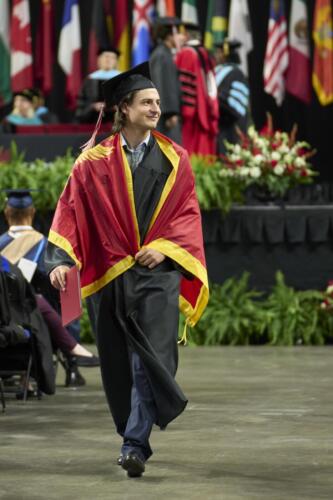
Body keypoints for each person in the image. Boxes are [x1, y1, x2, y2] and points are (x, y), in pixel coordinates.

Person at [46, 62, 208, 478]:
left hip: (157, 273)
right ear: (125, 109)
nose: (156, 108)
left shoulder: (176, 158)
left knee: (151, 358)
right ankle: (131, 433)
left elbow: (186, 214)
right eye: (147, 102)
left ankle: (134, 443)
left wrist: (163, 247)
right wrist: (62, 261)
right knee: (119, 363)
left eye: (157, 102)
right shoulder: (92, 162)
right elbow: (71, 211)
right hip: (111, 272)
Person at [0, 189, 99, 387]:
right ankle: (72, 362)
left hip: (4, 320)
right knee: (66, 290)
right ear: (33, 212)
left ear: (6, 213)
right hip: (39, 323)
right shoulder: (49, 249)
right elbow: (67, 295)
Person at [175, 23, 219, 155]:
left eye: (181, 34)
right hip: (205, 107)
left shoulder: (187, 53)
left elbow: (186, 85)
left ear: (187, 35)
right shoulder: (205, 52)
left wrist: (185, 111)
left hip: (194, 115)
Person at [214, 38, 251, 155]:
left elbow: (234, 107)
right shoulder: (217, 71)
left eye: (219, 52)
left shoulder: (236, 74)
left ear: (226, 54)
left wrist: (214, 101)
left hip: (231, 128)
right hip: (219, 127)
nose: (216, 55)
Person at [149, 16, 182, 143]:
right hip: (164, 116)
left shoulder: (164, 53)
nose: (180, 37)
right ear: (169, 35)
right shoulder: (162, 55)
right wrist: (170, 113)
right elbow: (163, 85)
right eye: (177, 33)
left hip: (163, 112)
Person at [76, 47, 121, 124]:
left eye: (112, 57)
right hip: (92, 122)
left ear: (116, 61)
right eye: (106, 56)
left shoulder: (123, 78)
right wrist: (93, 106)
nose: (108, 60)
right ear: (99, 60)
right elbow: (81, 102)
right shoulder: (90, 79)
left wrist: (118, 107)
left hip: (117, 123)